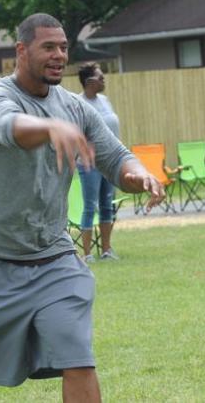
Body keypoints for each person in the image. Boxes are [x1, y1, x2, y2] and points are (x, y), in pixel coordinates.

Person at [0, 13, 165, 402]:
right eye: (48, 47)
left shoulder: (74, 108)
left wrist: (140, 174)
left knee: (78, 356)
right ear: (21, 50)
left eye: (63, 47)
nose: (59, 55)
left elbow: (114, 157)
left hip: (52, 255)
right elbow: (10, 128)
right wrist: (49, 128)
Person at [77, 62, 120, 263]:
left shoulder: (104, 100)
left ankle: (106, 249)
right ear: (90, 82)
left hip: (109, 162)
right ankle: (86, 254)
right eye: (101, 78)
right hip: (90, 163)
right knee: (89, 206)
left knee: (106, 205)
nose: (104, 81)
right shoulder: (79, 103)